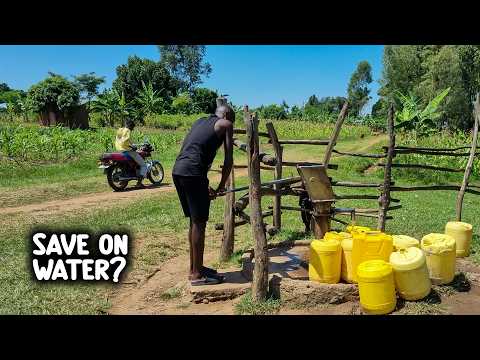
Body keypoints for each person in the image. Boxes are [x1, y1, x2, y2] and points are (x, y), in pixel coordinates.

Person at [172, 105, 235, 286]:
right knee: (199, 222)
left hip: (179, 170)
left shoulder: (200, 121)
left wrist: (205, 184)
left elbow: (197, 150)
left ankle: (195, 268)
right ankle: (197, 275)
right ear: (228, 116)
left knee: (194, 220)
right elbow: (228, 160)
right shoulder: (226, 124)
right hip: (192, 173)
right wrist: (221, 186)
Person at [115, 119, 147, 188]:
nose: (133, 128)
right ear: (130, 126)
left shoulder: (120, 130)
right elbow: (125, 140)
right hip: (127, 150)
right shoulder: (127, 131)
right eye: (133, 127)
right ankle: (139, 183)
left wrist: (132, 144)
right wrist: (131, 147)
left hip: (119, 150)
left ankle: (125, 180)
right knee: (143, 165)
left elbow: (119, 140)